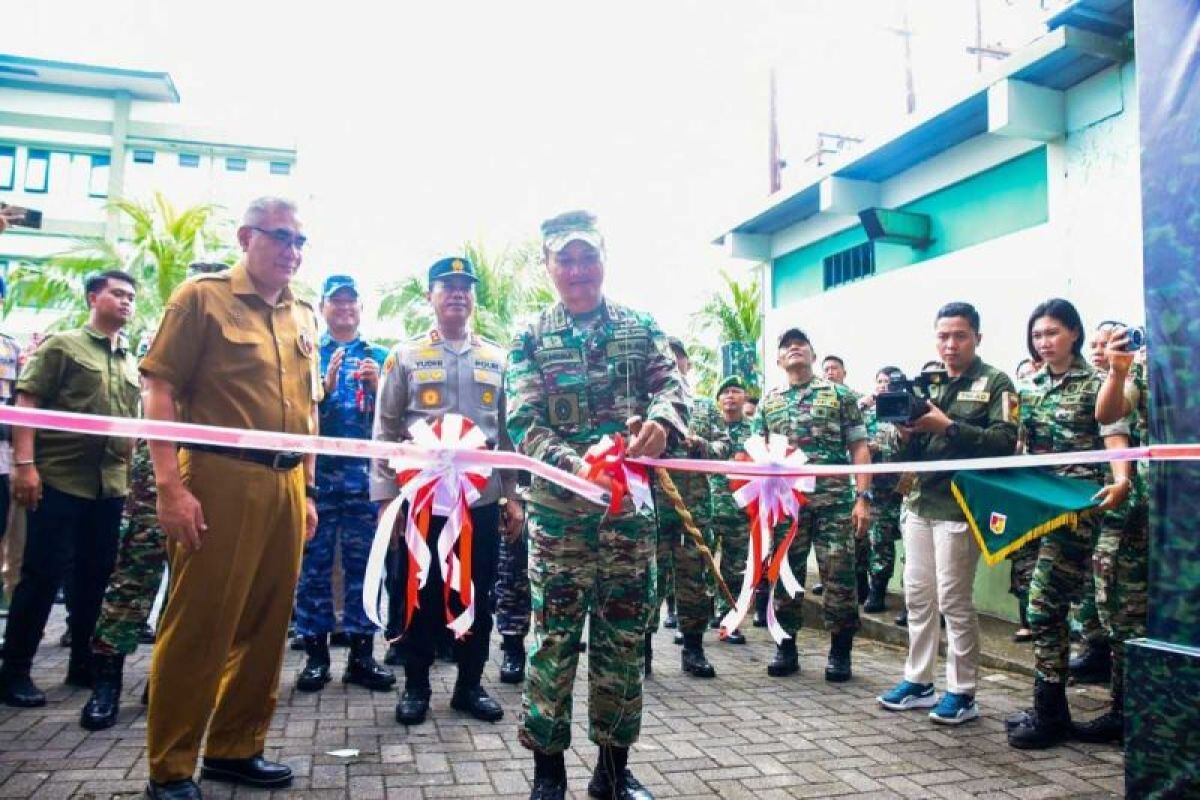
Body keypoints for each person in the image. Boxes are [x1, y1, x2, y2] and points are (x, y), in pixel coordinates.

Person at [140, 197, 321, 798]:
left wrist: (310, 489)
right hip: (218, 480)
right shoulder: (201, 298)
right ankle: (170, 767)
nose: (292, 251)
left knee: (268, 624)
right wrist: (170, 486)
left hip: (287, 483)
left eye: (300, 241)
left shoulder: (303, 313)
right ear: (247, 236)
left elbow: (307, 409)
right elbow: (160, 389)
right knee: (201, 623)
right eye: (281, 237)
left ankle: (235, 747)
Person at [507, 210, 687, 800]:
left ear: (604, 259)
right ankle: (548, 773)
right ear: (548, 266)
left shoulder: (639, 327)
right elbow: (522, 421)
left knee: (622, 642)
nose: (578, 269)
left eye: (588, 257)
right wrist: (574, 468)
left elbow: (671, 385)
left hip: (627, 521)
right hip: (560, 521)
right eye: (566, 259)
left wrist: (663, 421)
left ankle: (612, 772)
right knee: (552, 644)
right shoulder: (531, 337)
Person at [373, 256, 516, 727]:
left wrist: (513, 494)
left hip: (481, 503)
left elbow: (509, 434)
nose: (458, 294)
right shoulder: (406, 356)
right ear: (430, 297)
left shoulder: (497, 359)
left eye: (465, 287)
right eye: (447, 286)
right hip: (421, 501)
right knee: (420, 590)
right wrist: (384, 503)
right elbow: (385, 429)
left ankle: (469, 685)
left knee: (477, 592)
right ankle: (415, 686)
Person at [0, 271, 139, 708]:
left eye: (131, 297)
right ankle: (15, 670)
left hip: (109, 484)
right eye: (117, 294)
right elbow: (29, 403)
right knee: (42, 575)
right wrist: (25, 466)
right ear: (93, 297)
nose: (126, 302)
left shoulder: (128, 358)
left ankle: (83, 661)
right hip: (60, 477)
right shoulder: (63, 345)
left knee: (96, 577)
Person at [875, 302, 1018, 725]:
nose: (950, 345)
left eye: (959, 336)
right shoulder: (928, 384)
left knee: (954, 600)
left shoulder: (996, 383)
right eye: (943, 336)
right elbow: (911, 450)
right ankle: (918, 681)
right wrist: (905, 433)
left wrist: (948, 426)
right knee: (918, 597)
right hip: (920, 502)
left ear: (977, 336)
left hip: (961, 506)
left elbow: (1004, 442)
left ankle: (963, 691)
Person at [1006, 298, 1131, 750]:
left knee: (1044, 606)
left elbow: (1114, 432)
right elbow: (1019, 445)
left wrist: (1121, 480)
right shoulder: (1029, 386)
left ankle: (1053, 712)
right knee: (1046, 608)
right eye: (1037, 335)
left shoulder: (1098, 383)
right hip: (1038, 510)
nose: (1045, 342)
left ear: (1074, 334)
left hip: (1083, 512)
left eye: (1053, 332)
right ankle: (1050, 707)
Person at [293, 274, 393, 694]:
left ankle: (361, 656)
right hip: (318, 481)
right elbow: (298, 417)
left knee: (364, 570)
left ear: (360, 309)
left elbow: (391, 423)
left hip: (363, 482)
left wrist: (378, 387)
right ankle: (315, 658)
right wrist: (324, 389)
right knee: (313, 568)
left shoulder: (380, 356)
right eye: (337, 302)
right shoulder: (307, 355)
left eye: (352, 302)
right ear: (323, 307)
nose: (345, 308)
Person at [753, 328, 872, 681]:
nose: (793, 348)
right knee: (785, 574)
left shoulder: (839, 395)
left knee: (839, 574)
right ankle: (785, 647)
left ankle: (840, 653)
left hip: (833, 502)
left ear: (813, 354)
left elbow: (860, 448)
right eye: (786, 345)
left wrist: (862, 498)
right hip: (787, 505)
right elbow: (756, 455)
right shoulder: (768, 402)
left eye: (800, 344)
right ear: (778, 359)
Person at [1070, 322, 1150, 744]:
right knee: (1124, 609)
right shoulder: (1139, 369)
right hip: (1139, 513)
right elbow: (1109, 418)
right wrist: (1120, 371)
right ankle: (1126, 712)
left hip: (1181, 517)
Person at [648, 337, 730, 678]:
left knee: (694, 580)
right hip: (651, 508)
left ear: (687, 366)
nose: (673, 365)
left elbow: (726, 447)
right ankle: (643, 651)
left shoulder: (704, 408)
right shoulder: (646, 407)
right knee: (649, 582)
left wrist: (704, 445)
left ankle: (693, 649)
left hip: (692, 510)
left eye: (678, 360)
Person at [860, 367, 910, 614]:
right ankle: (877, 591)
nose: (882, 386)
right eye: (879, 381)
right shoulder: (867, 414)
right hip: (879, 492)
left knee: (911, 549)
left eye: (888, 382)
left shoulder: (907, 410)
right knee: (880, 543)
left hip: (907, 492)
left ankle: (910, 601)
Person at [709, 375, 754, 644]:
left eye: (736, 391)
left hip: (740, 510)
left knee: (735, 567)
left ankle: (730, 620)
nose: (730, 396)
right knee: (702, 567)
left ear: (744, 398)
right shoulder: (709, 428)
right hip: (710, 507)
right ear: (718, 401)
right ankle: (694, 622)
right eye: (725, 392)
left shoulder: (755, 432)